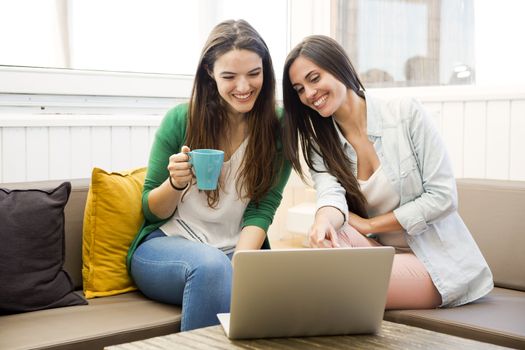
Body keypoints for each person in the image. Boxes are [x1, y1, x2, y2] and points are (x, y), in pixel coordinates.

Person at [282, 35, 493, 309]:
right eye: (299, 89)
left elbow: (443, 198)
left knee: (336, 283)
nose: (309, 94)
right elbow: (330, 197)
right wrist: (323, 222)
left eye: (314, 78)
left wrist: (371, 225)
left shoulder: (406, 114)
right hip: (382, 253)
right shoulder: (320, 145)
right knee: (333, 236)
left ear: (339, 67)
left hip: (437, 261)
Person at [126, 19, 291, 331]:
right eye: (229, 76)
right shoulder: (181, 120)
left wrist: (240, 265)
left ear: (266, 72)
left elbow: (263, 206)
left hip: (235, 249)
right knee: (213, 267)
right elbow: (151, 210)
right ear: (209, 73)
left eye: (254, 74)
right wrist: (175, 183)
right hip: (167, 246)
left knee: (289, 287)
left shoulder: (279, 126)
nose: (243, 87)